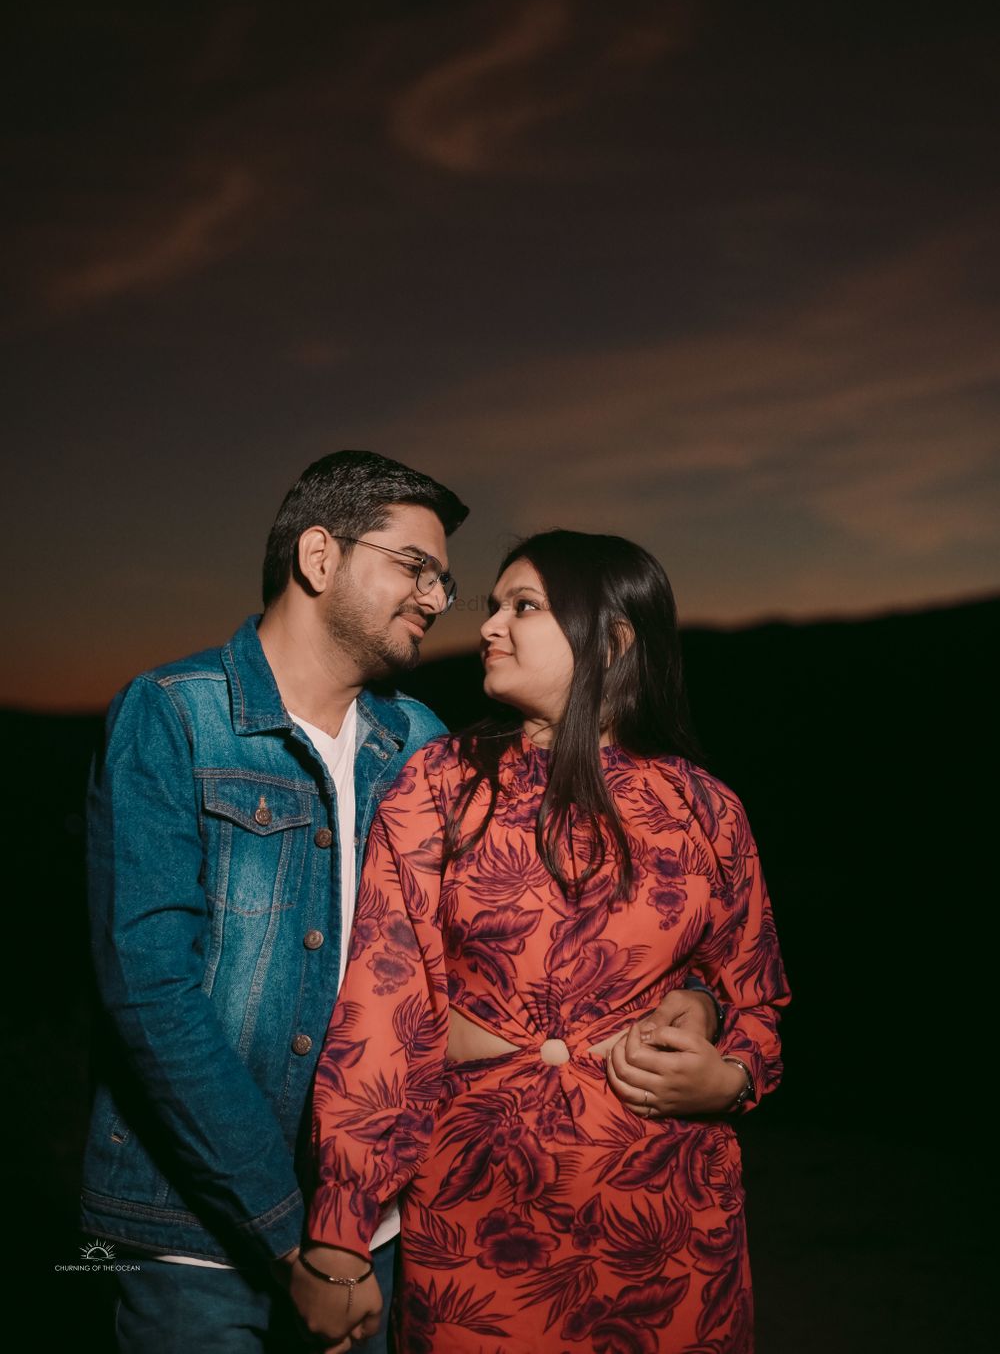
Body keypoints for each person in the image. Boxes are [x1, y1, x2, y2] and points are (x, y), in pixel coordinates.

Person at [291, 529, 790, 1353]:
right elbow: (384, 1005)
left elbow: (754, 990)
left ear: (614, 640)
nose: (488, 625)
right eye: (490, 606)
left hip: (670, 1222)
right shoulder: (441, 785)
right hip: (481, 1219)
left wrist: (731, 1076)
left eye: (523, 606)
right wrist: (340, 1232)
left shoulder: (707, 809)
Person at [82, 450, 470, 1354]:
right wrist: (294, 1238)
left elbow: (478, 949)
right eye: (416, 567)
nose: (434, 596)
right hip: (191, 1242)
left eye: (444, 582)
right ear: (320, 556)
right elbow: (148, 993)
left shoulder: (421, 741)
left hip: (373, 1234)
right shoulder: (174, 713)